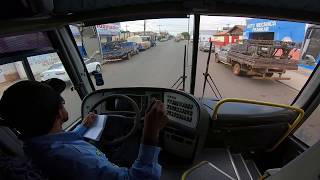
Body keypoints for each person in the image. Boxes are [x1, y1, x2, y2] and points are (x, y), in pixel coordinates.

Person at [0, 78, 168, 180]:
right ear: (59, 112)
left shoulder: (35, 146)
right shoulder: (74, 160)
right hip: (121, 173)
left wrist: (83, 126)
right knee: (135, 138)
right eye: (61, 100)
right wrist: (150, 133)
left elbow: (60, 140)